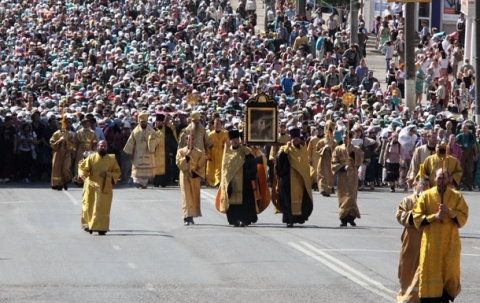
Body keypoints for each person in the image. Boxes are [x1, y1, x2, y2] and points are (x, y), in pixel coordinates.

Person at [412, 169, 469, 303]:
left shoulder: (456, 196)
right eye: (439, 178)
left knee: (450, 271)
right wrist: (434, 217)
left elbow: (463, 216)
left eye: (444, 178)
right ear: (434, 178)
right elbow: (417, 216)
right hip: (432, 242)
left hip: (450, 242)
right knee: (430, 271)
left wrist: (450, 212)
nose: (441, 180)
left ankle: (447, 297)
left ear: (448, 179)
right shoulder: (426, 196)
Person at [215, 129, 261, 227]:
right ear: (230, 140)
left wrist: (248, 174)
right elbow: (225, 167)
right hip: (231, 181)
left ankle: (244, 219)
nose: (235, 141)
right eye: (233, 139)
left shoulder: (245, 150)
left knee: (244, 201)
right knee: (233, 202)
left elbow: (252, 164)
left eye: (236, 139)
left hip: (244, 180)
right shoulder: (226, 151)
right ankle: (234, 219)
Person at [396, 175, 430, 303]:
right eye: (422, 185)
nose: (425, 188)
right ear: (415, 185)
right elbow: (400, 216)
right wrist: (416, 216)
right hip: (411, 240)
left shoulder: (432, 200)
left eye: (427, 185)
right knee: (406, 270)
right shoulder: (408, 201)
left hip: (427, 239)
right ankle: (406, 296)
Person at [78, 140, 121, 235]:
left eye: (105, 146)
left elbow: (117, 172)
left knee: (103, 208)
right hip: (92, 187)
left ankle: (102, 227)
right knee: (90, 206)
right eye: (101, 146)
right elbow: (84, 169)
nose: (103, 147)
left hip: (105, 188)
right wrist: (82, 175)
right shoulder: (91, 158)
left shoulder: (111, 159)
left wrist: (108, 174)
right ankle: (90, 225)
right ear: (97, 147)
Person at [276, 128, 314, 227]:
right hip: (288, 178)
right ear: (291, 139)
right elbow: (279, 161)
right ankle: (289, 220)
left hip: (300, 179)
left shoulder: (303, 149)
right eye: (294, 138)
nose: (296, 140)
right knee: (288, 200)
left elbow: (305, 164)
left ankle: (299, 218)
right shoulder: (285, 148)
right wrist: (285, 151)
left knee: (300, 198)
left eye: (297, 138)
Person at [331, 130, 364, 226]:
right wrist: (342, 167)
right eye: (344, 137)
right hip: (342, 177)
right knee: (343, 196)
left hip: (352, 176)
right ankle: (343, 218)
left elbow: (360, 159)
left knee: (352, 197)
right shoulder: (338, 149)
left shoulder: (356, 148)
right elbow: (334, 162)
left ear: (351, 139)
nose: (345, 139)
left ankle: (351, 217)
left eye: (347, 137)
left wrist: (352, 154)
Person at [123, 112, 160, 189]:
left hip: (148, 152)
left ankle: (144, 184)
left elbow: (157, 139)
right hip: (137, 153)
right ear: (139, 121)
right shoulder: (135, 131)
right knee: (137, 169)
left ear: (146, 121)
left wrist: (152, 141)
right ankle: (137, 182)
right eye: (141, 122)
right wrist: (130, 152)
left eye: (144, 122)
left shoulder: (151, 130)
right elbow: (131, 142)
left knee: (146, 170)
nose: (143, 123)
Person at [176, 134, 206, 226]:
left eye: (193, 139)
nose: (191, 141)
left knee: (193, 196)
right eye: (189, 139)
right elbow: (179, 163)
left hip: (194, 177)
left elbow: (202, 165)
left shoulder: (199, 152)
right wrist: (187, 156)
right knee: (186, 197)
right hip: (185, 176)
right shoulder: (181, 151)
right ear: (186, 141)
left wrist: (195, 173)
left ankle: (191, 217)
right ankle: (186, 217)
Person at [49, 116, 74, 191]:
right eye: (60, 124)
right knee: (57, 169)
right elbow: (52, 143)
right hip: (58, 153)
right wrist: (59, 141)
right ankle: (57, 183)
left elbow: (72, 144)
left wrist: (66, 141)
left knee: (65, 168)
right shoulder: (56, 134)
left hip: (66, 153)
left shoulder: (69, 134)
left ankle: (66, 181)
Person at [153, 113, 178, 188]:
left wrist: (171, 150)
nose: (159, 123)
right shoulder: (153, 130)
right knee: (155, 167)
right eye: (158, 121)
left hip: (165, 152)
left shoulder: (167, 129)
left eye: (160, 122)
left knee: (165, 167)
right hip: (155, 152)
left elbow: (172, 141)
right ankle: (156, 182)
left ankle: (164, 182)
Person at [316, 120, 338, 196]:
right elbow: (317, 150)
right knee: (322, 174)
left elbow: (336, 151)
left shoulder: (334, 142)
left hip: (330, 160)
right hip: (323, 160)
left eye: (331, 131)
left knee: (330, 175)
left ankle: (328, 190)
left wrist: (331, 150)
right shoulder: (321, 141)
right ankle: (322, 189)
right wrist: (324, 149)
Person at [206, 118, 228, 187]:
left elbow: (227, 144)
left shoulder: (224, 134)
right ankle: (211, 181)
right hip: (212, 152)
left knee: (219, 167)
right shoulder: (210, 134)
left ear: (221, 125)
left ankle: (218, 181)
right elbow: (207, 145)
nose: (217, 125)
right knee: (211, 168)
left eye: (219, 124)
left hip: (221, 152)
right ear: (213, 125)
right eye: (216, 124)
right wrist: (208, 154)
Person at [72, 119, 97, 183]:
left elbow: (95, 140)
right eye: (86, 123)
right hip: (80, 149)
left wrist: (94, 145)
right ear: (83, 124)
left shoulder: (92, 132)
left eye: (88, 123)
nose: (88, 125)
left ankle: (88, 178)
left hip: (89, 148)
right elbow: (75, 142)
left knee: (89, 163)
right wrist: (74, 151)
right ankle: (78, 178)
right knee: (79, 163)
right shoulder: (78, 132)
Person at [456, 123, 478, 191]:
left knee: (470, 169)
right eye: (463, 128)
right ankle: (461, 184)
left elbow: (474, 146)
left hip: (469, 154)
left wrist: (475, 155)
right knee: (461, 169)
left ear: (468, 129)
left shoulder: (471, 136)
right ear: (461, 129)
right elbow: (455, 144)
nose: (465, 129)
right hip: (462, 154)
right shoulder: (459, 136)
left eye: (466, 128)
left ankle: (469, 184)